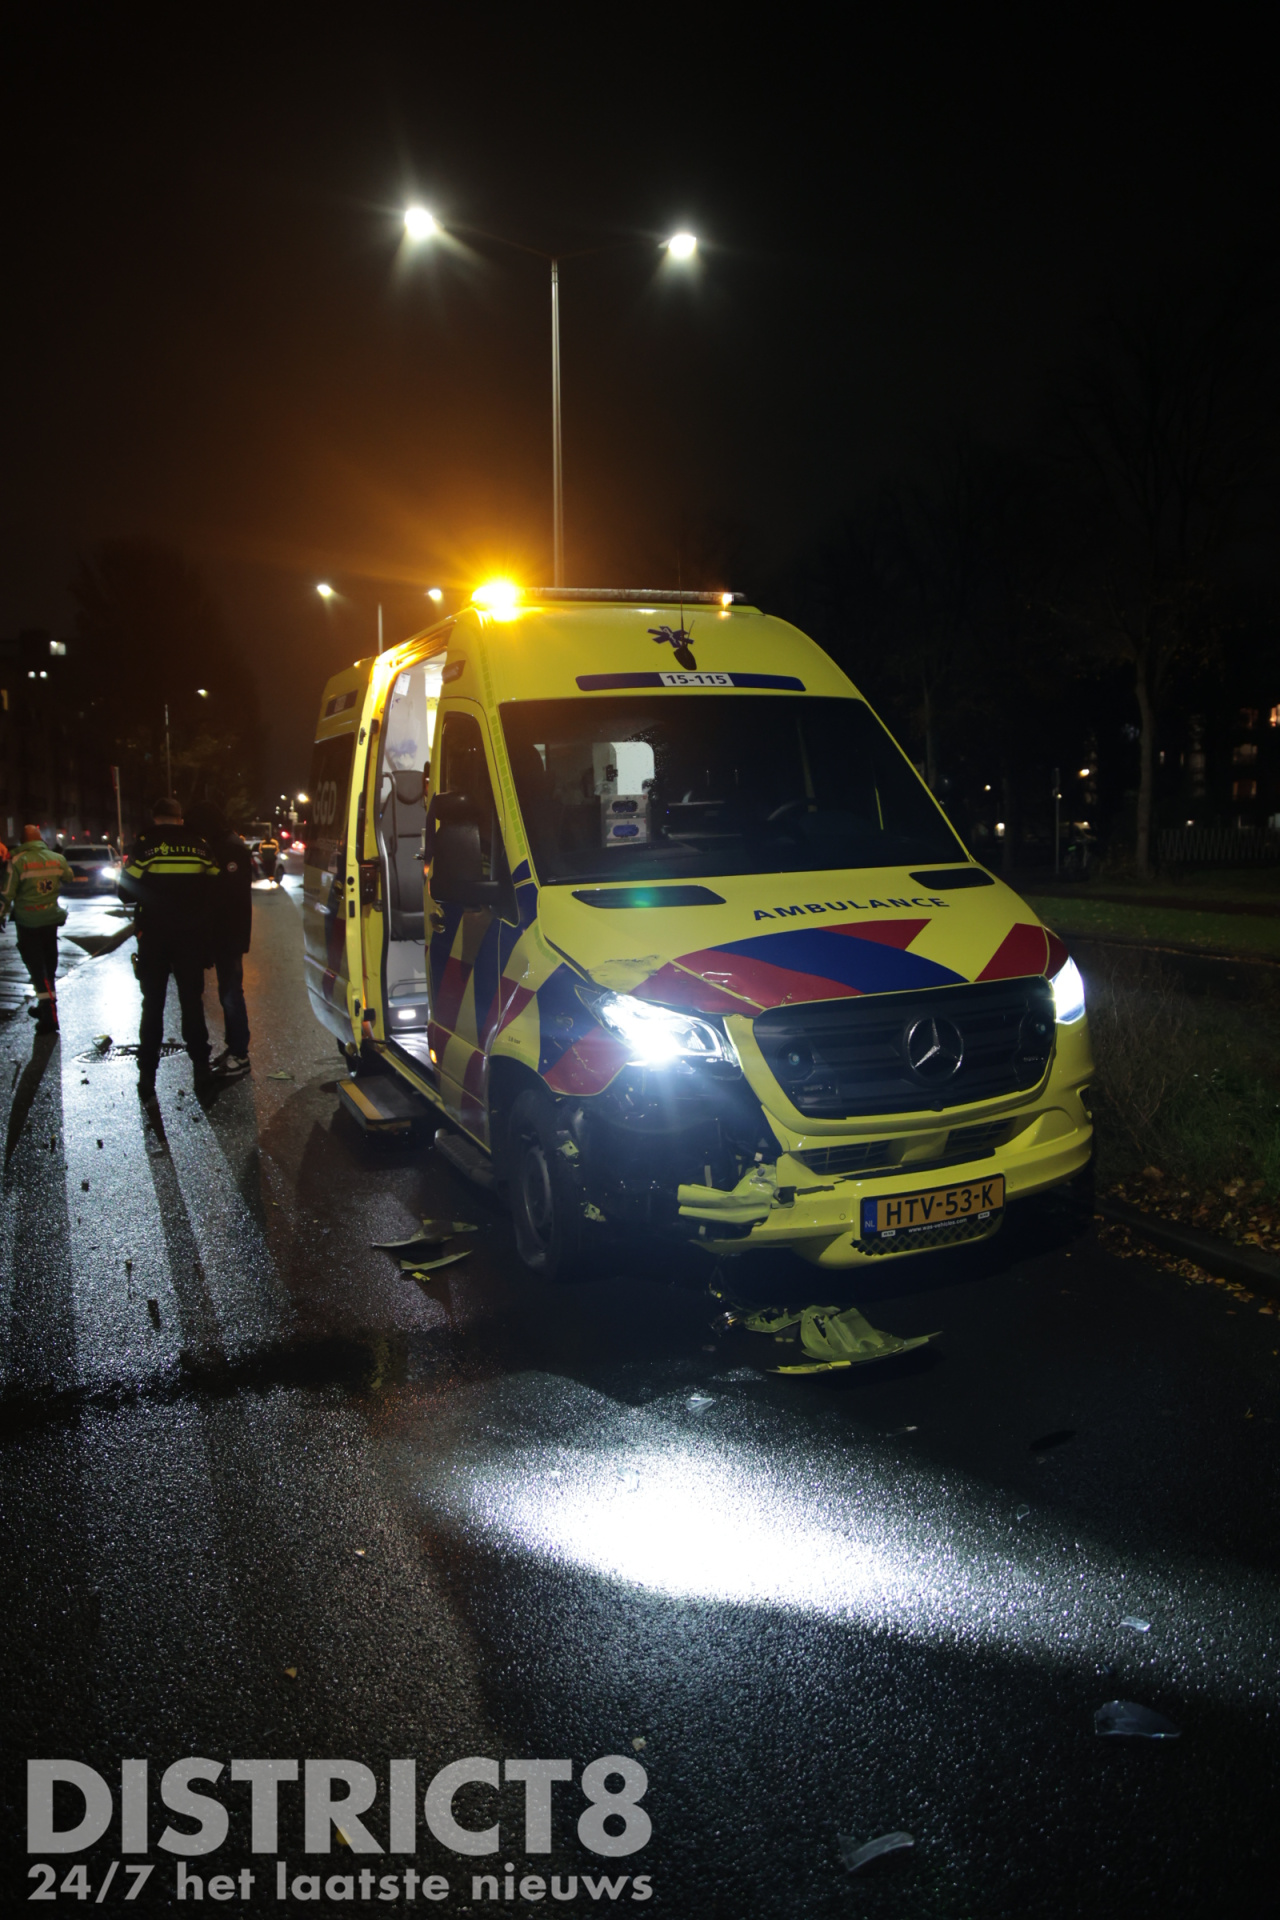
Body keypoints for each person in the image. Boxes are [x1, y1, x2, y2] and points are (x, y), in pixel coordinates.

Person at [118, 796, 220, 1101]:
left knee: (153, 1006)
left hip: (154, 937)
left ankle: (147, 1079)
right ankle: (201, 1072)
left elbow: (125, 892)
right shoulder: (200, 846)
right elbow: (217, 885)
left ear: (155, 818)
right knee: (192, 1004)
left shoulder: (145, 846)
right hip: (191, 937)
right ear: (180, 819)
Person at [186, 802, 252, 1076]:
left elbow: (228, 894)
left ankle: (240, 1054)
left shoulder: (230, 848)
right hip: (228, 932)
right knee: (228, 991)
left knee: (231, 992)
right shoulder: (224, 844)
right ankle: (234, 1047)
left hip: (229, 933)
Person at [0, 825, 74, 1033]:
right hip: (51, 920)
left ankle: (49, 1016)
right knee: (49, 966)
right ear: (40, 839)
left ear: (23, 841)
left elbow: (7, 893)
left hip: (28, 922)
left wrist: (1, 915)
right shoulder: (57, 859)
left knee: (36, 968)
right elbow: (68, 877)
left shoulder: (18, 861)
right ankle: (46, 1008)